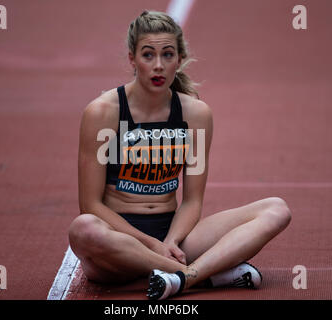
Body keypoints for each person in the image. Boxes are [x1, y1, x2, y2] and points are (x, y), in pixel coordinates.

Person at [68, 10, 291, 300]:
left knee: (276, 209)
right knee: (83, 229)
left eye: (168, 55)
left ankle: (182, 278)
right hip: (117, 244)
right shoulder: (102, 112)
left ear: (180, 59)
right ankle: (196, 275)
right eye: (148, 55)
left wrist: (171, 240)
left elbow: (193, 200)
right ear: (132, 59)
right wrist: (152, 245)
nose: (158, 65)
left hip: (175, 236)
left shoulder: (196, 114)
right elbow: (91, 205)